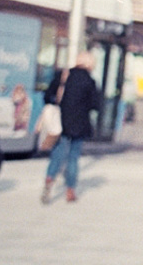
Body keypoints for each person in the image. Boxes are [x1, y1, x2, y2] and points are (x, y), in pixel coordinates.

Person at [42, 51, 100, 204]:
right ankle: (70, 190)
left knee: (58, 153)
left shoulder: (63, 76)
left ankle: (49, 179)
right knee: (73, 157)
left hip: (61, 123)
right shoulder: (89, 81)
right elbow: (95, 104)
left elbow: (47, 96)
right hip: (80, 125)